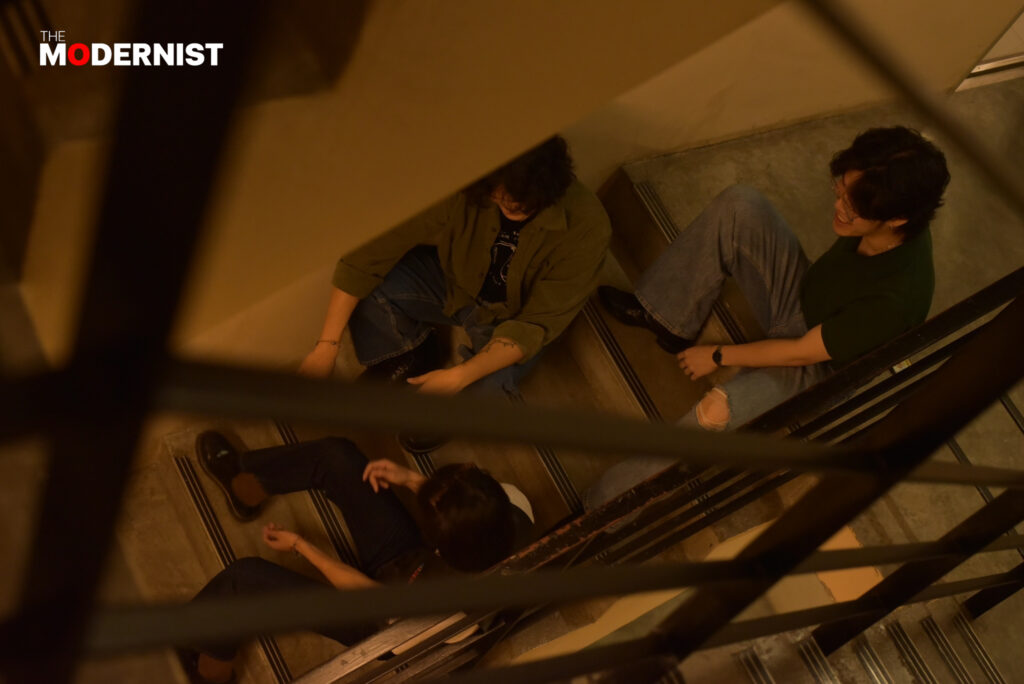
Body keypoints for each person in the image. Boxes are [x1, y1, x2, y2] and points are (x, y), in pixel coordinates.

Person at [598, 126, 949, 434]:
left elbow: (799, 353)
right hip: (806, 297)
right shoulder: (885, 219)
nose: (839, 207)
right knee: (741, 204)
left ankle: (624, 489)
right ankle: (667, 318)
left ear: (897, 219)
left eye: (853, 207)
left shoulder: (895, 300)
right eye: (841, 189)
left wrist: (717, 355)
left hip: (819, 366)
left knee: (716, 411)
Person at [298, 136, 610, 451]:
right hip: (456, 285)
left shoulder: (587, 227)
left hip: (511, 318)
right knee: (375, 286)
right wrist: (326, 346)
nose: (508, 203)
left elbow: (535, 324)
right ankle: (411, 353)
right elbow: (369, 256)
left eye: (521, 201)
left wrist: (460, 375)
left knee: (485, 392)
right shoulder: (468, 183)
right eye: (499, 196)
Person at [181, 431, 532, 684]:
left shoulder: (444, 614)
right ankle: (245, 486)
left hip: (382, 623)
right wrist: (411, 479)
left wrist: (300, 545)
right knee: (337, 456)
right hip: (410, 560)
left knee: (244, 578)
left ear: (441, 543)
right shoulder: (507, 510)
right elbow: (460, 508)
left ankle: (210, 671)